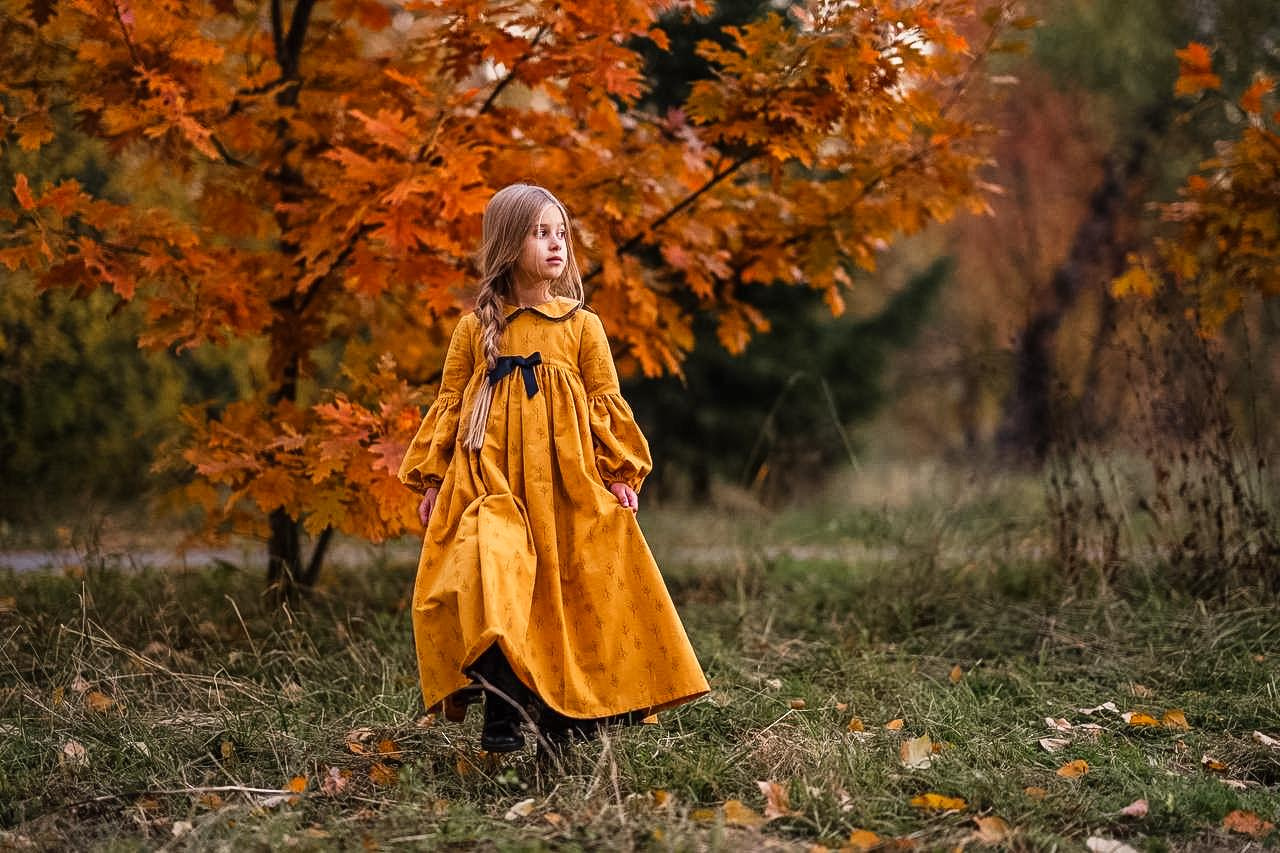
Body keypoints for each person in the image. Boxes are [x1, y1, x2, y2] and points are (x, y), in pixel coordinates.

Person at [397, 183, 709, 755]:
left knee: (577, 586)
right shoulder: (473, 330)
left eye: (561, 232)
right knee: (488, 568)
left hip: (566, 486)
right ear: (508, 244)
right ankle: (504, 703)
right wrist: (434, 480)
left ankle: (576, 710)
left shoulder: (581, 326)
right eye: (540, 232)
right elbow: (447, 407)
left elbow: (604, 403)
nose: (556, 243)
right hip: (490, 486)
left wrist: (620, 473)